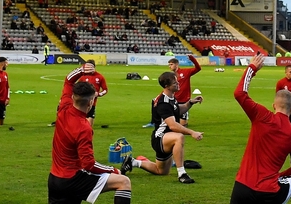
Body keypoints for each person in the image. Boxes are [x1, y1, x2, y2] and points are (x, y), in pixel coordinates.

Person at [230, 54, 291, 204]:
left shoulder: (261, 116)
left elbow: (239, 93)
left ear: (274, 105)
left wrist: (252, 68)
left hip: (241, 188)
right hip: (268, 192)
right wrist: (279, 175)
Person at [47, 66, 131, 203]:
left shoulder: (63, 108)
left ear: (73, 97)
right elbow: (88, 164)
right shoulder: (84, 127)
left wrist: (82, 69)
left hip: (54, 178)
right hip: (73, 179)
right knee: (123, 182)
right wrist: (113, 170)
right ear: (91, 102)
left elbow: (68, 81)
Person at [121, 71, 204, 184]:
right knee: (179, 137)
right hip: (160, 138)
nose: (178, 84)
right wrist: (192, 132)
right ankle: (182, 174)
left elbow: (176, 110)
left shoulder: (169, 97)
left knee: (161, 171)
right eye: (175, 83)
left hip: (165, 137)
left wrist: (190, 103)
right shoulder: (163, 102)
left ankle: (133, 162)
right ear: (167, 86)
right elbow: (173, 125)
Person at [167, 54, 201, 127]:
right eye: (169, 65)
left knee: (183, 124)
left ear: (176, 65)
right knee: (171, 122)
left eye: (171, 64)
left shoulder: (185, 72)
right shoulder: (170, 76)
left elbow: (198, 68)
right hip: (173, 100)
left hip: (184, 101)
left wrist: (192, 58)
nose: (170, 66)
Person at [78, 60, 108, 126]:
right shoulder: (83, 77)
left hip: (92, 103)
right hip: (83, 101)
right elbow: (77, 87)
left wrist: (99, 94)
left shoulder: (100, 77)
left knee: (89, 119)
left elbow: (105, 90)